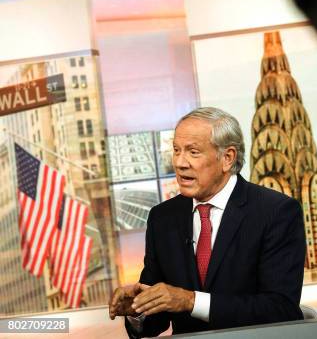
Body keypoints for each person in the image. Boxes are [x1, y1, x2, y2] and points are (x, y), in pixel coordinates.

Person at [109, 107, 306, 337]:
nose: (180, 163)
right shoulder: (162, 218)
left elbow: (281, 310)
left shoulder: (276, 212)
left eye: (193, 152)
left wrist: (192, 301)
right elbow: (156, 320)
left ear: (227, 158)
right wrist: (137, 311)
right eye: (176, 150)